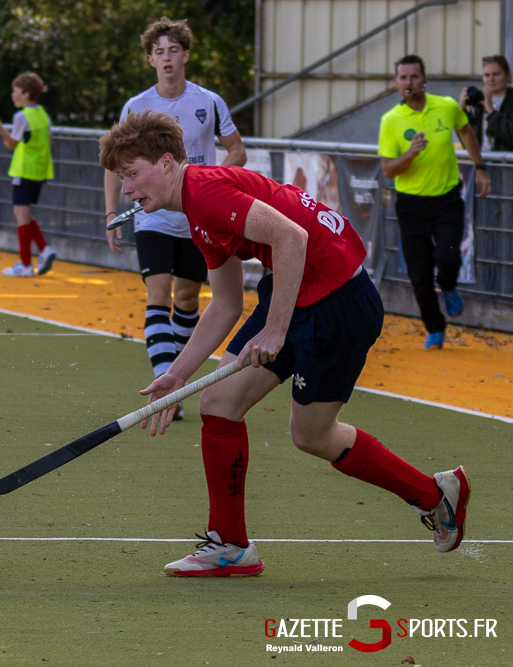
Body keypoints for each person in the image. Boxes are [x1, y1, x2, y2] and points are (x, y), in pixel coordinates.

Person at [99, 109, 470, 577]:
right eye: (122, 179)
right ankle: (230, 546)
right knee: (217, 402)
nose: (128, 189)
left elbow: (291, 237)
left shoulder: (207, 193)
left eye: (133, 175)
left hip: (337, 301)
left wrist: (276, 330)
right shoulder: (196, 212)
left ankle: (435, 495)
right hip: (294, 290)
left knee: (311, 435)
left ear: (168, 162)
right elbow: (226, 304)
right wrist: (177, 372)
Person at [103, 17, 246, 419]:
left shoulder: (209, 101)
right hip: (152, 218)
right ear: (150, 59)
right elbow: (115, 164)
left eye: (173, 50)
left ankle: (177, 374)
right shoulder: (136, 106)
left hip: (197, 215)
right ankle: (167, 383)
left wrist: (208, 180)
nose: (166, 58)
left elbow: (237, 151)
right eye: (159, 52)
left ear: (185, 55)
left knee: (187, 299)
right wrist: (113, 211)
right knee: (158, 293)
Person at [379, 54, 491, 350]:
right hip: (411, 205)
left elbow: (466, 132)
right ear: (396, 83)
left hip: (447, 201)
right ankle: (435, 327)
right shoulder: (390, 120)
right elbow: (388, 169)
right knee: (419, 275)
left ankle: (451, 285)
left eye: (414, 77)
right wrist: (410, 154)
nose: (409, 83)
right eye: (403, 78)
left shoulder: (447, 106)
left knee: (449, 257)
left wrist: (479, 168)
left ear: (425, 79)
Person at [0, 72, 57, 277]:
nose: (12, 95)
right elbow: (49, 142)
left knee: (21, 216)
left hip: (24, 170)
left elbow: (10, 143)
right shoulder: (43, 114)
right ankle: (44, 249)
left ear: (26, 93)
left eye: (15, 91)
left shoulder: (21, 116)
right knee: (21, 213)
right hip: (40, 171)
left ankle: (26, 264)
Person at [460, 55, 513, 152]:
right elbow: (469, 143)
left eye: (496, 74)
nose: (491, 79)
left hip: (507, 165)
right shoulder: (479, 103)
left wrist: (491, 112)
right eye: (487, 75)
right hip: (483, 164)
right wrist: (462, 112)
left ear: (508, 76)